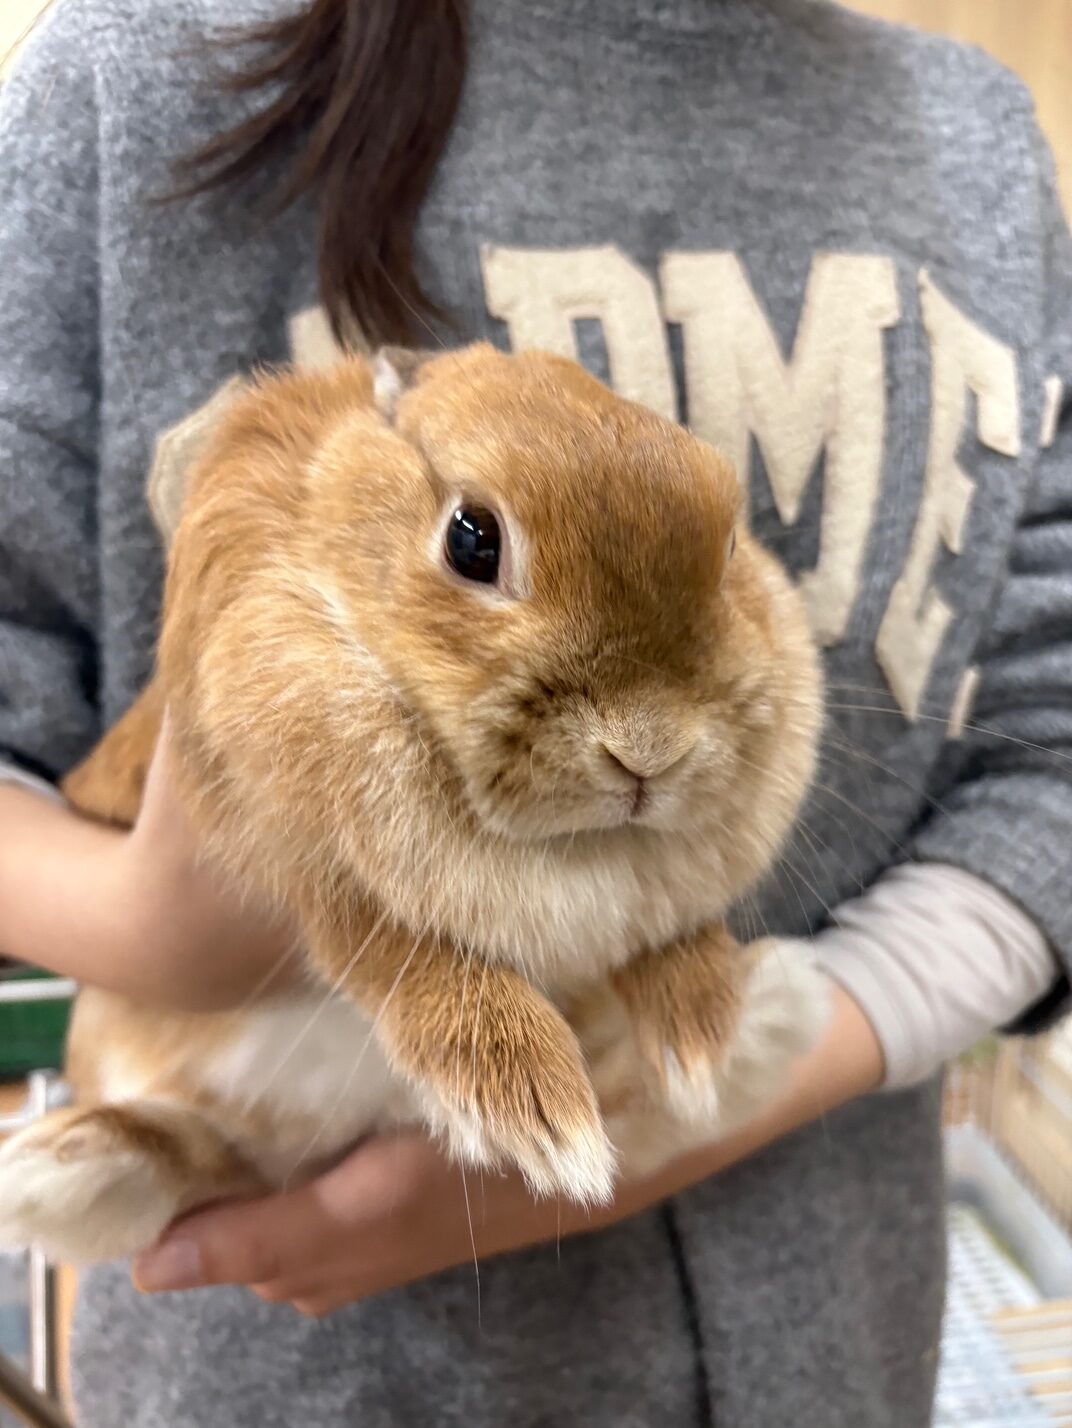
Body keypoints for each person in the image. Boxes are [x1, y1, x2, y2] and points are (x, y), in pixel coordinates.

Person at [1, 0, 1070, 1423]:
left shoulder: (978, 142)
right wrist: (165, 923)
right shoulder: (138, 74)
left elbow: (1051, 748)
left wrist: (786, 1046)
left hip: (831, 1339)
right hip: (319, 1380)